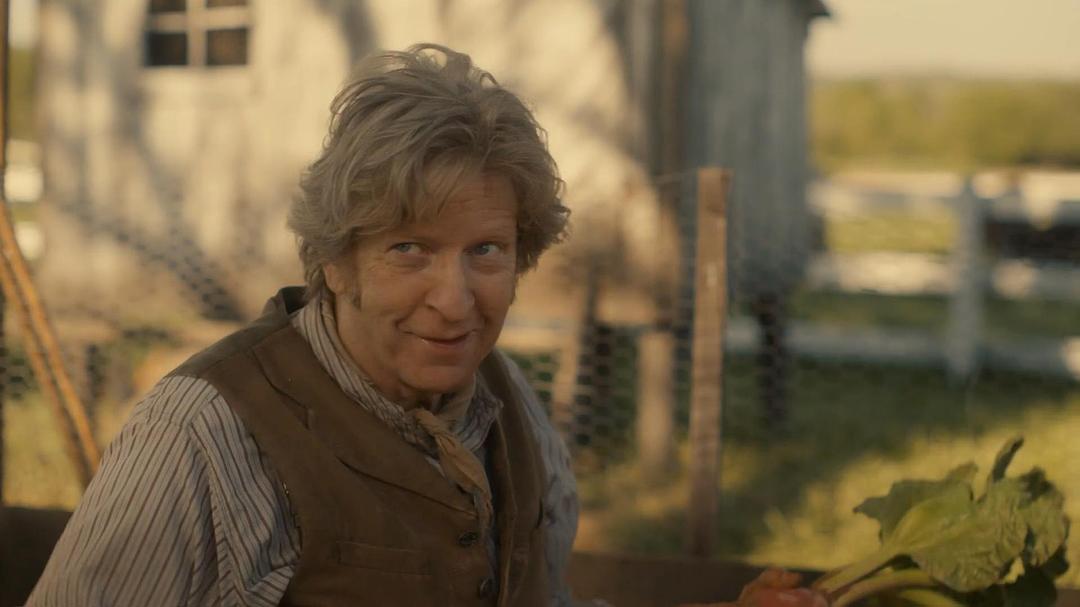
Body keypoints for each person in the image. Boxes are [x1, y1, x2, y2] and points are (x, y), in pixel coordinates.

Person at [26, 43, 826, 607]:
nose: (455, 299)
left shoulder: (510, 410)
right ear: (336, 261)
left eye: (487, 250)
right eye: (409, 249)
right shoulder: (205, 430)